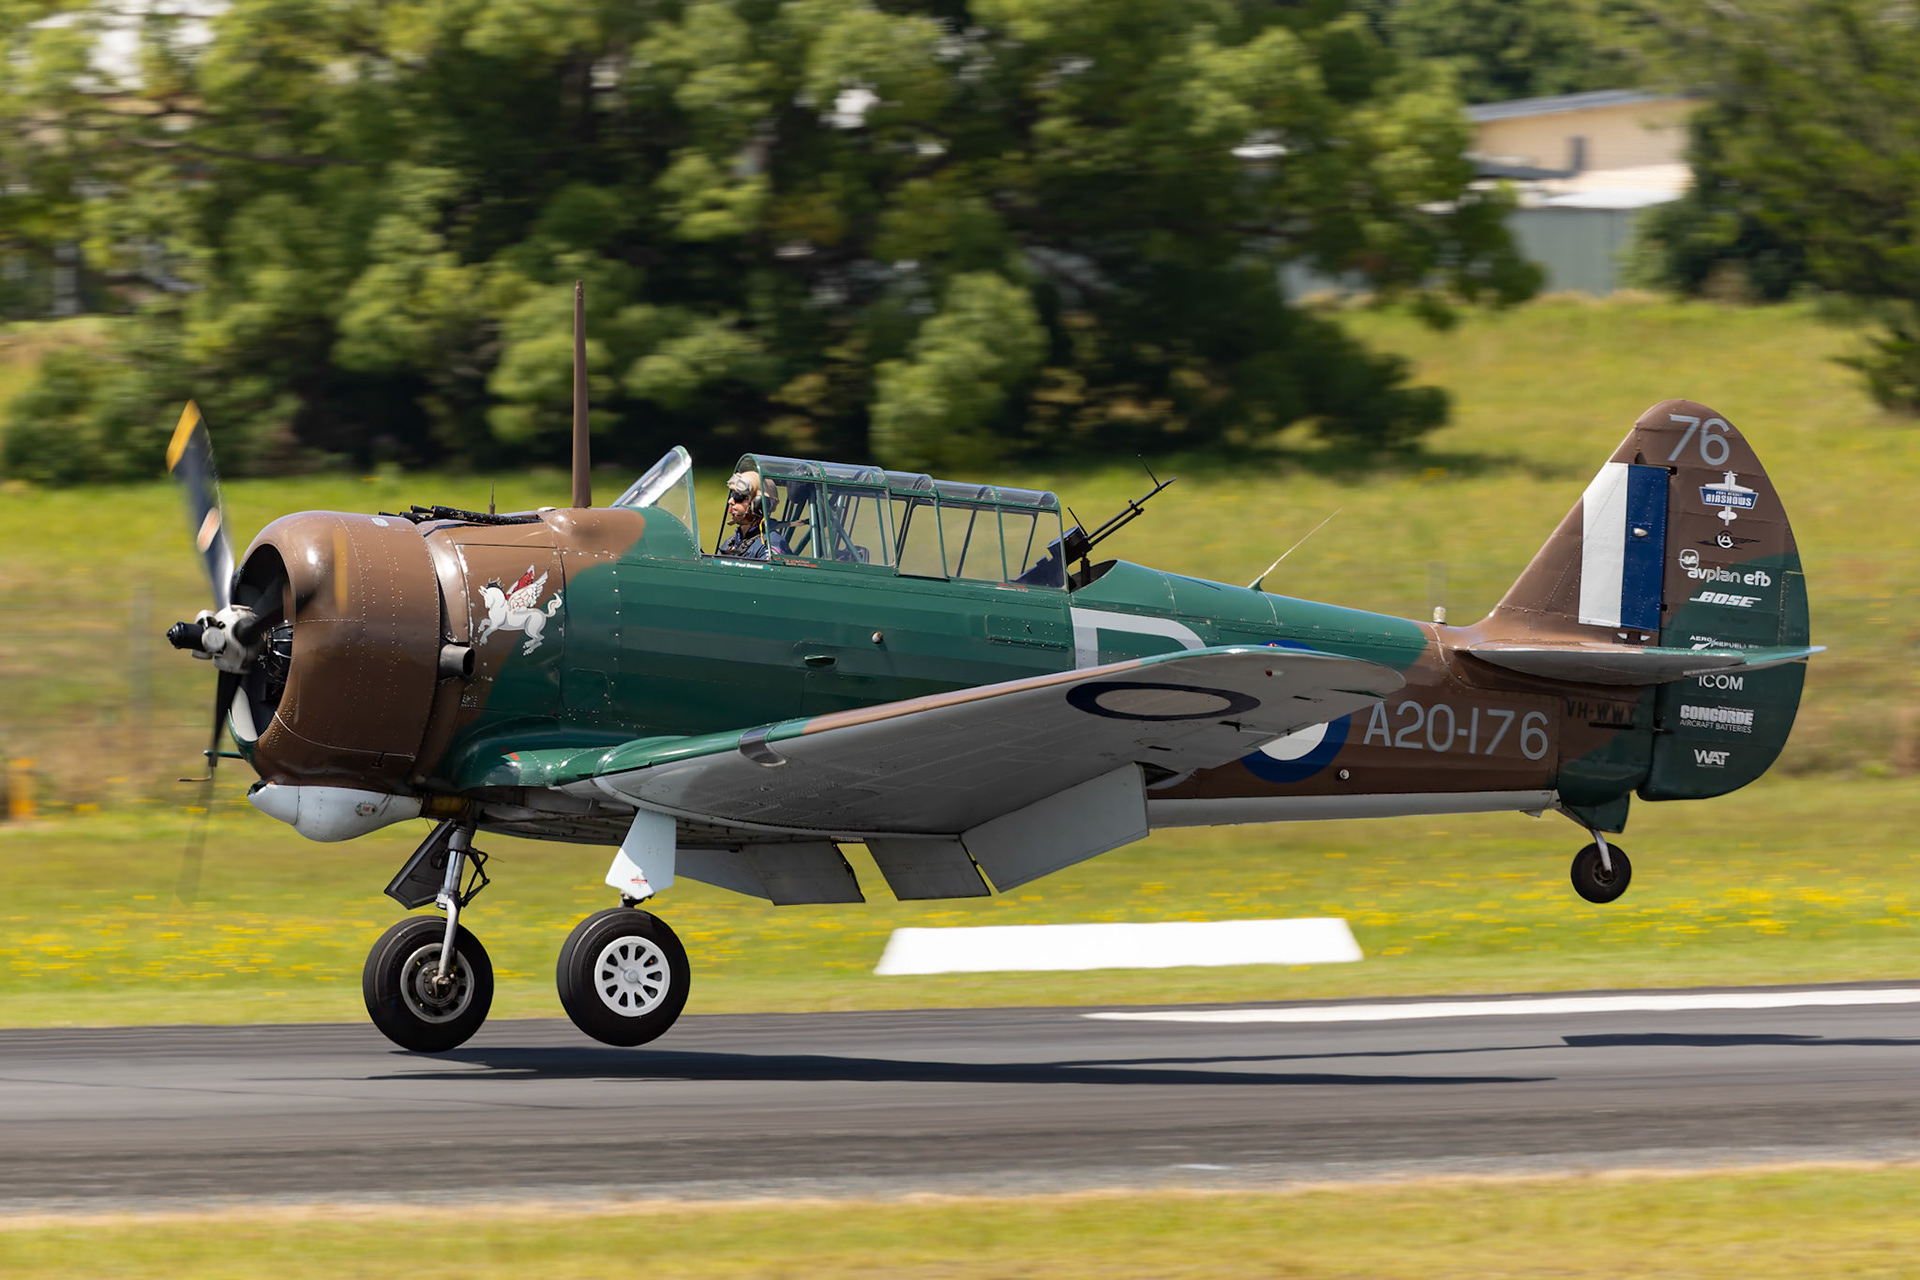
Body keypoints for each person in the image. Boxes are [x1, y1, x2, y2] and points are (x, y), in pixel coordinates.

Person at [718, 469, 784, 559]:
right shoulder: (730, 544)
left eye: (738, 497)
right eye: (732, 495)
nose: (730, 501)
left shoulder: (770, 545)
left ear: (759, 503)